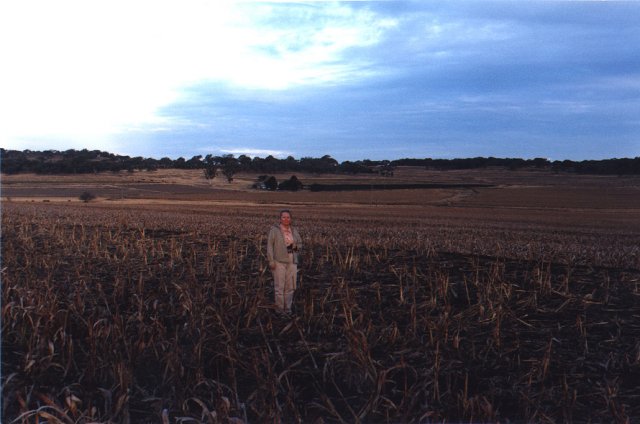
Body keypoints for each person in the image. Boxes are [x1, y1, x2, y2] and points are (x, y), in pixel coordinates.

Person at [267, 209, 302, 314]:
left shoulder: (294, 230)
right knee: (279, 288)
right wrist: (271, 260)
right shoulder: (274, 230)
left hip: (292, 261)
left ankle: (287, 310)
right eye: (284, 217)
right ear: (280, 219)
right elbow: (269, 246)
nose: (286, 219)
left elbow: (299, 243)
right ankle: (279, 310)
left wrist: (293, 251)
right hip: (279, 262)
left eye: (288, 217)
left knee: (290, 287)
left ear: (290, 219)